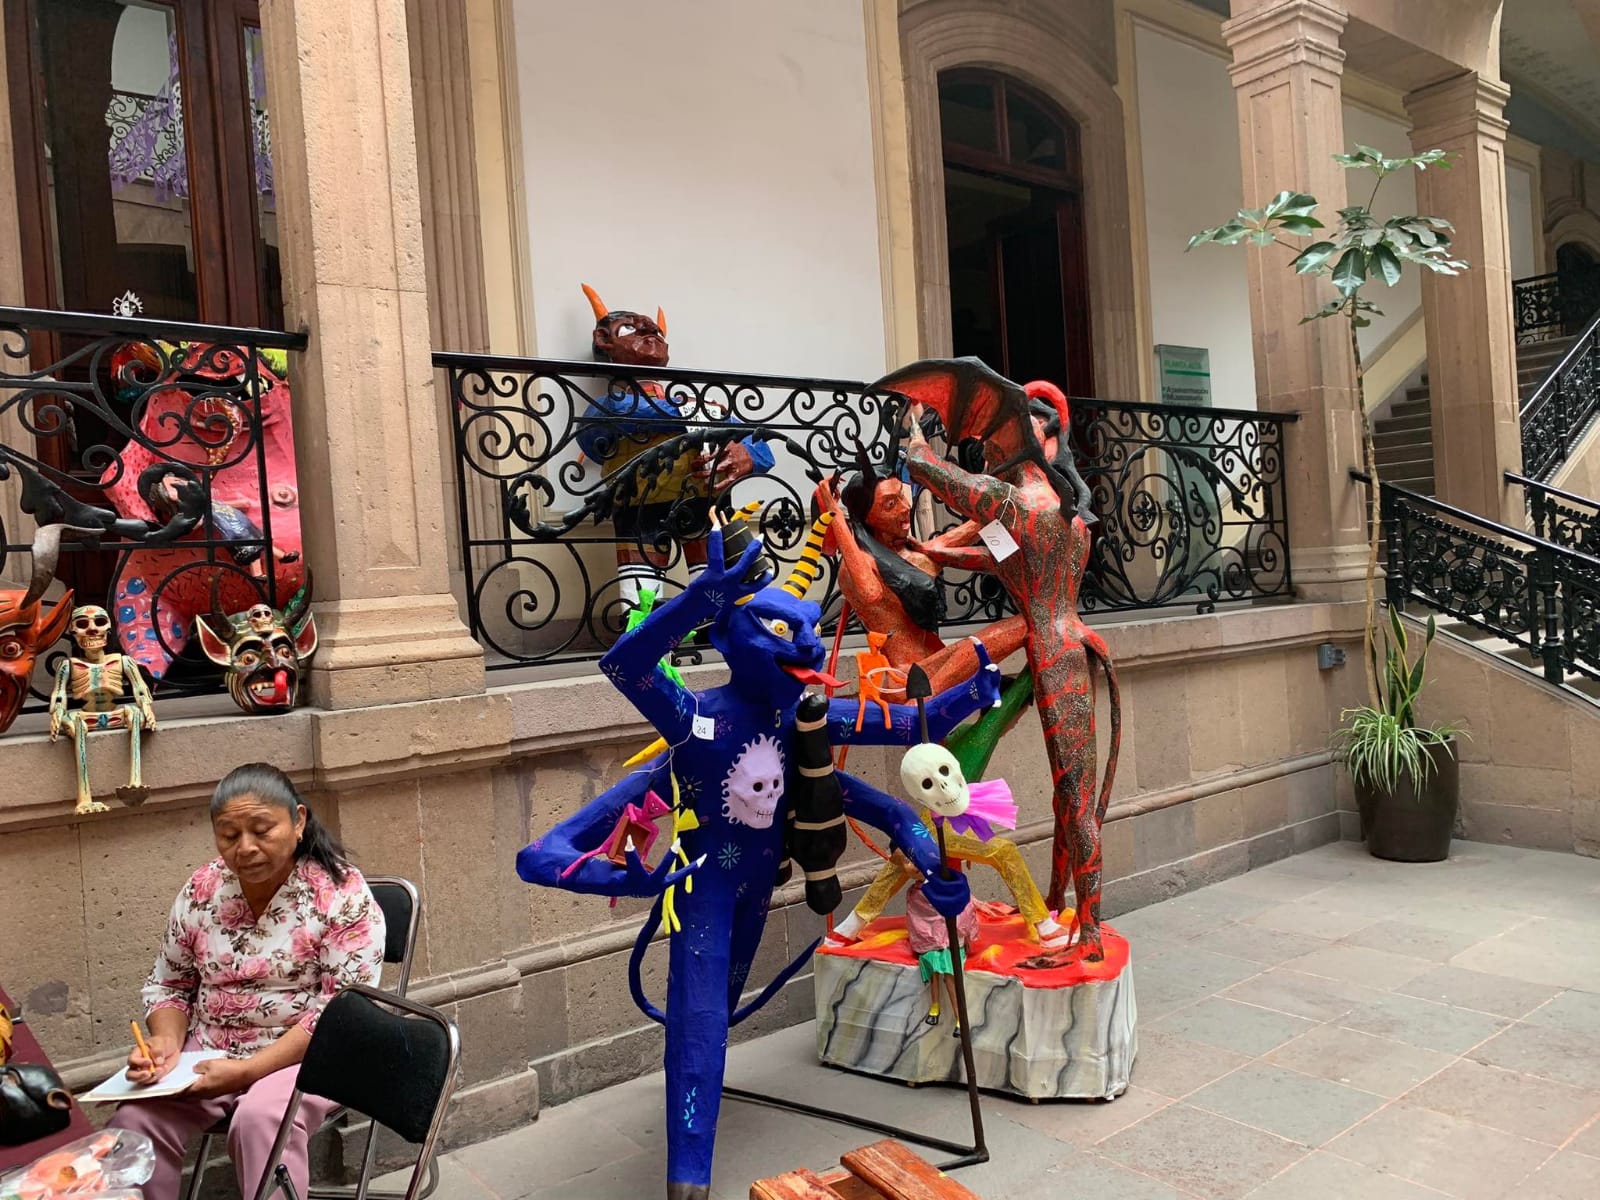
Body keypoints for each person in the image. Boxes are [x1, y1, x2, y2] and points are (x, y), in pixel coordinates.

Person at [109, 764, 385, 1198]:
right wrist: (165, 1043)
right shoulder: (203, 888)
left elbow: (339, 1014)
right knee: (135, 1121)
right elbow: (170, 984)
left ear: (298, 821)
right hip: (211, 1050)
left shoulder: (341, 894)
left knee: (261, 1119)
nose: (245, 848)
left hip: (309, 1054)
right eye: (229, 835)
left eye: (261, 830)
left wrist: (247, 1072)